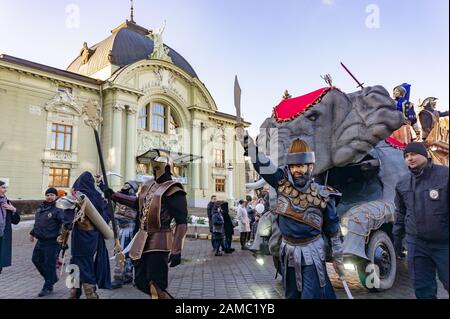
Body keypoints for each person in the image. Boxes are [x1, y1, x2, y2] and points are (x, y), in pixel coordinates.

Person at [237, 126, 344, 299]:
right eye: (293, 166)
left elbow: (333, 229)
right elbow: (263, 163)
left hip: (312, 253)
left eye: (301, 166)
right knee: (292, 295)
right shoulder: (281, 182)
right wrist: (246, 143)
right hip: (288, 252)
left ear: (310, 167)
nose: (296, 170)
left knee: (311, 295)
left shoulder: (324, 194)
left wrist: (338, 257)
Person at [111, 152, 188, 299]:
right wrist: (115, 196)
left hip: (160, 240)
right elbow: (138, 204)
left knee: (156, 284)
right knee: (140, 282)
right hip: (142, 239)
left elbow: (181, 222)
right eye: (153, 165)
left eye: (158, 164)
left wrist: (177, 250)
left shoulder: (174, 189)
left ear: (167, 166)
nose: (154, 167)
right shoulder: (148, 185)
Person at [393, 142, 449, 299]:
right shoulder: (402, 183)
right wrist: (397, 240)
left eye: (413, 154)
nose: (410, 158)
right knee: (423, 289)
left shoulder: (445, 175)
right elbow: (401, 214)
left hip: (444, 244)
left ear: (424, 155)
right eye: (406, 156)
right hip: (417, 245)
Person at [59, 171, 112, 299]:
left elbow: (67, 221)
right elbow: (106, 216)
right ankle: (75, 292)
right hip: (94, 236)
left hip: (80, 236)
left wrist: (62, 239)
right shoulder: (97, 197)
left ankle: (88, 293)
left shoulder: (76, 197)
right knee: (80, 262)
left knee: (80, 263)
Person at [30, 187, 70, 297]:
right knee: (36, 259)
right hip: (41, 240)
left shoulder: (58, 209)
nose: (49, 197)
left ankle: (48, 286)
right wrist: (32, 233)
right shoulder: (41, 207)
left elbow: (65, 223)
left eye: (52, 195)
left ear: (56, 196)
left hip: (52, 241)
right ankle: (52, 278)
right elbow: (39, 222)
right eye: (48, 195)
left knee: (49, 264)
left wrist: (63, 237)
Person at [111, 180, 139, 289]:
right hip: (120, 229)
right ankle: (122, 276)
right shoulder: (119, 197)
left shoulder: (134, 200)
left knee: (126, 254)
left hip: (130, 230)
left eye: (128, 186)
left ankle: (124, 276)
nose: (125, 187)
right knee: (120, 253)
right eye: (125, 185)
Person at [0, 180, 20, 274]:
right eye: (3, 187)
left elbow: (16, 221)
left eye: (5, 188)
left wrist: (14, 210)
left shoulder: (7, 203)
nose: (5, 190)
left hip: (3, 237)